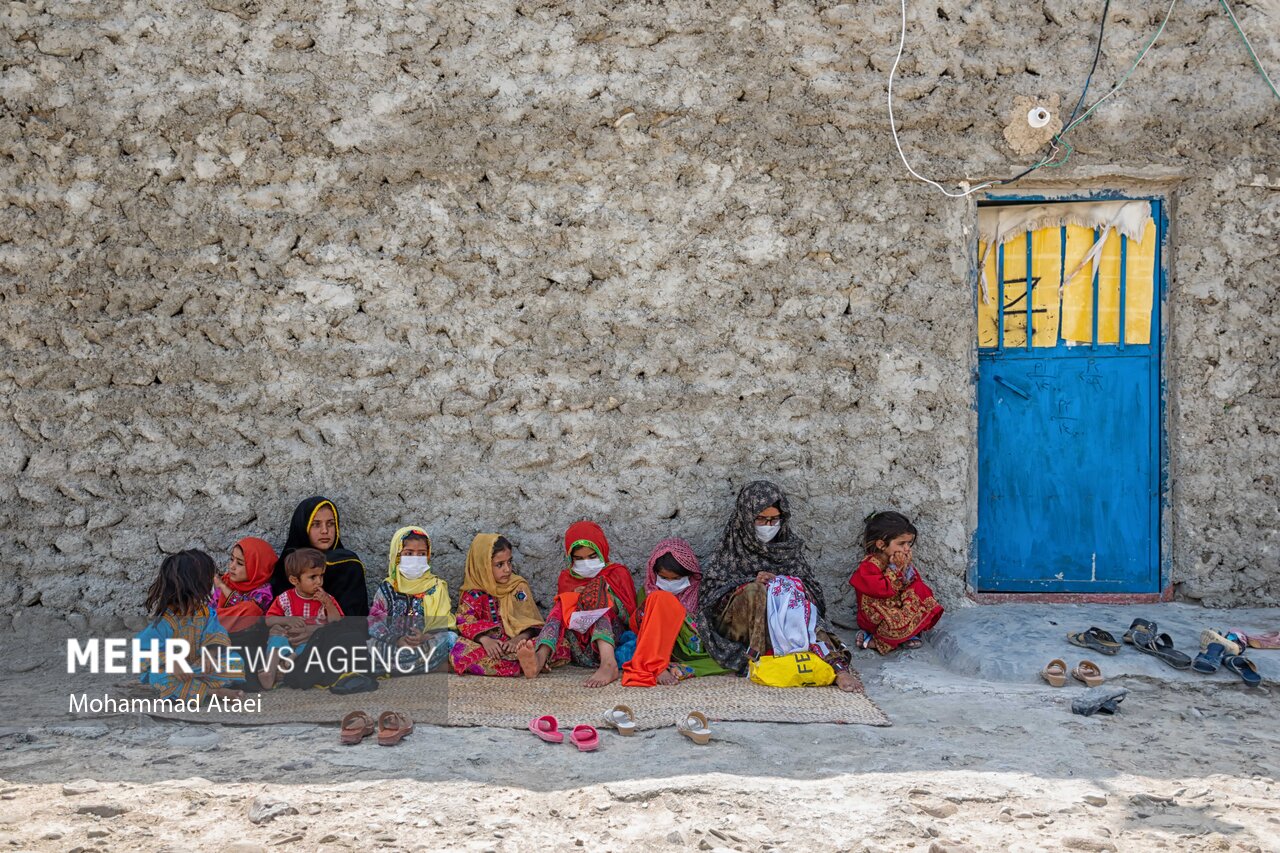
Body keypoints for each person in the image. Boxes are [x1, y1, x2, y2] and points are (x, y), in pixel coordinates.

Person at [697, 480, 858, 692]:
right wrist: (750, 582)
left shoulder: (787, 548)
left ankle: (837, 666)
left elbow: (815, 594)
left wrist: (783, 584)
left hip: (785, 618)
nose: (768, 526)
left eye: (774, 520)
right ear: (746, 518)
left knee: (795, 596)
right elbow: (709, 597)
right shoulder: (732, 548)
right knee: (757, 592)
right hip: (741, 624)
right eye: (761, 519)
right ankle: (759, 659)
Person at [516, 520, 637, 687]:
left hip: (610, 642)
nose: (586, 562)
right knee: (562, 602)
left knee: (598, 601)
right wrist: (575, 598)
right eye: (578, 558)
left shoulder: (617, 573)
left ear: (601, 551)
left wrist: (603, 595)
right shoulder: (567, 577)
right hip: (577, 646)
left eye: (592, 556)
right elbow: (564, 620)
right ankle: (540, 657)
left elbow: (630, 617)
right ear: (570, 557)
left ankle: (609, 665)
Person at [270, 496, 370, 688]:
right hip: (292, 641)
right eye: (316, 524)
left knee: (351, 640)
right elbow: (277, 611)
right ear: (303, 527)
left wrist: (316, 631)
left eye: (331, 524)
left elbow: (355, 620)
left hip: (332, 638)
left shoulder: (348, 564)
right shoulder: (290, 565)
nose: (325, 531)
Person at [134, 549, 244, 702]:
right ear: (197, 584)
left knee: (235, 662)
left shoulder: (206, 613)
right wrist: (172, 662)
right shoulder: (165, 621)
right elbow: (142, 649)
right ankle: (214, 692)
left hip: (199, 667)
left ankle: (194, 688)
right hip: (176, 672)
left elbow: (216, 635)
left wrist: (210, 655)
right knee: (158, 677)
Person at [451, 534, 567, 676]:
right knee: (459, 653)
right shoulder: (474, 594)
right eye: (499, 564)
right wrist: (485, 640)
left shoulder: (518, 587)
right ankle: (530, 663)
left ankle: (530, 660)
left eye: (509, 562)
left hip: (521, 643)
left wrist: (519, 639)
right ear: (482, 566)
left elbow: (532, 622)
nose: (507, 569)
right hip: (492, 647)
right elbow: (464, 620)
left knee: (560, 643)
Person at [622, 537, 729, 687]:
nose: (670, 583)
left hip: (690, 647)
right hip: (655, 643)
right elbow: (638, 626)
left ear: (690, 574)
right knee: (661, 598)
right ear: (654, 574)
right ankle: (656, 666)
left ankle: (674, 667)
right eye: (664, 578)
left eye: (677, 578)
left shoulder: (701, 591)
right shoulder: (647, 591)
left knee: (727, 661)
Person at [849, 511, 944, 653]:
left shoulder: (899, 560)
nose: (907, 548)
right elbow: (883, 591)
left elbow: (912, 584)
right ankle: (877, 641)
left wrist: (905, 568)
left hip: (896, 609)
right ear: (881, 544)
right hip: (877, 617)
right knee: (894, 622)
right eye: (901, 543)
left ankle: (906, 634)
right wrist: (895, 569)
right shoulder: (868, 566)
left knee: (920, 589)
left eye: (908, 543)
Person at [368, 526, 457, 675]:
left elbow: (445, 626)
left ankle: (395, 668)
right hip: (394, 645)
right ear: (397, 556)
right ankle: (432, 667)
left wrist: (424, 638)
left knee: (450, 639)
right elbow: (374, 622)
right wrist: (397, 639)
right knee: (367, 645)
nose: (415, 559)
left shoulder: (436, 586)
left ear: (428, 556)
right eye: (408, 554)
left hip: (425, 644)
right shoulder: (388, 587)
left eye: (421, 554)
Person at [260, 548, 344, 689]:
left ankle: (288, 663)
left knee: (314, 642)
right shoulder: (285, 599)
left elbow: (337, 622)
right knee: (276, 631)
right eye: (313, 577)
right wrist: (287, 620)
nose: (319, 582)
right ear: (294, 580)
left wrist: (328, 604)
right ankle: (270, 670)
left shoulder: (326, 599)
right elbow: (268, 620)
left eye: (321, 576)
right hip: (287, 643)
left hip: (309, 648)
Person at [210, 537, 276, 633]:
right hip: (216, 623)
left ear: (256, 567)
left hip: (242, 633)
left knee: (252, 610)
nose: (232, 566)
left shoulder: (264, 591)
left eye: (240, 563)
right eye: (232, 559)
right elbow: (212, 604)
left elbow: (248, 610)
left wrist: (223, 588)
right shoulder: (227, 580)